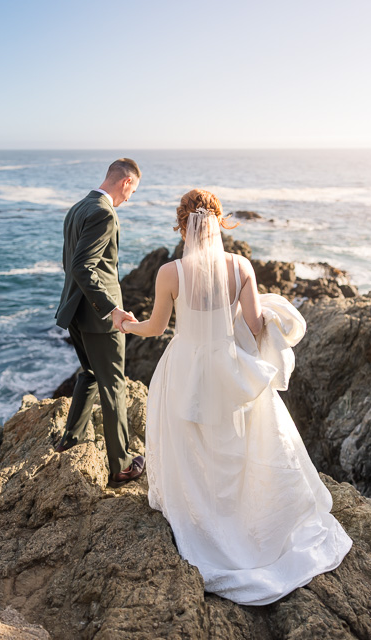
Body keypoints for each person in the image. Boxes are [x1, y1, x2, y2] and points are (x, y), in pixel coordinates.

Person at [122, 188, 353, 605]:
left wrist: (127, 324)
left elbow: (155, 329)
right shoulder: (240, 265)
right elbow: (254, 322)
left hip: (186, 371)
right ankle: (243, 520)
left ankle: (204, 519)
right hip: (230, 367)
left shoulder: (169, 273)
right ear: (219, 220)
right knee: (243, 444)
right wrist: (271, 310)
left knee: (194, 444)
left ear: (181, 225)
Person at [55, 158, 145, 489]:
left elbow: (69, 263)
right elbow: (82, 266)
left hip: (75, 312)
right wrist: (111, 310)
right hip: (98, 317)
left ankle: (72, 438)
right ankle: (121, 466)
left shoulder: (78, 207)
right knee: (114, 384)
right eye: (132, 191)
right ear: (125, 182)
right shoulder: (105, 213)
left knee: (91, 374)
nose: (130, 198)